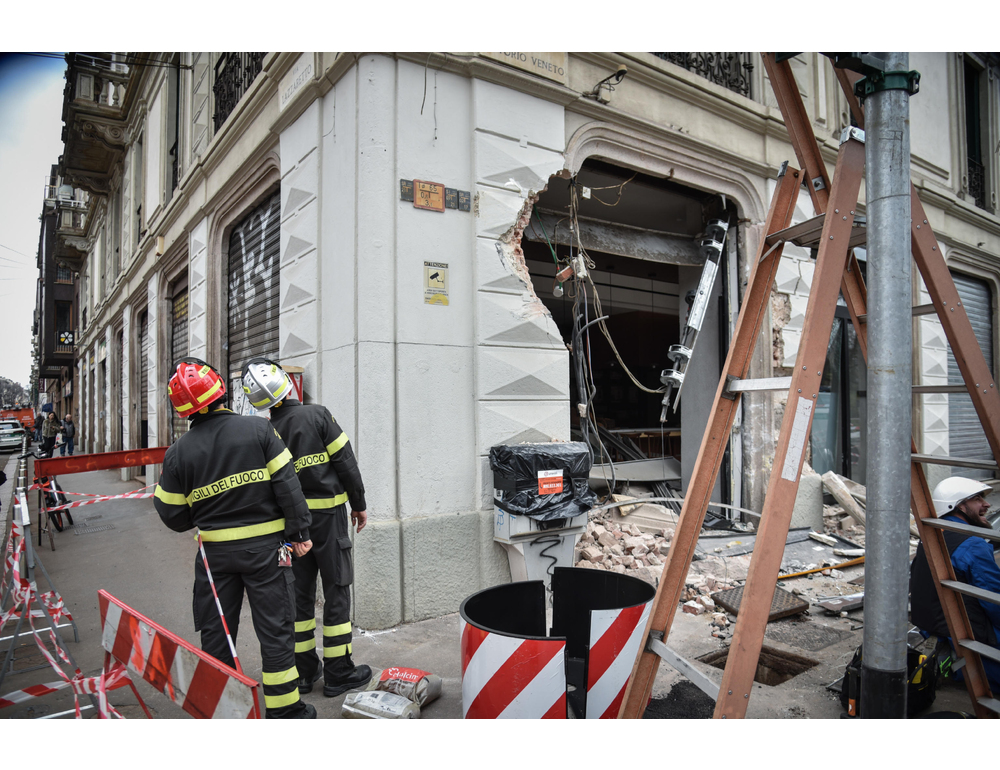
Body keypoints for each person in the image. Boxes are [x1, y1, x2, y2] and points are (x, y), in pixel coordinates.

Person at [153, 358, 317, 719]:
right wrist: (300, 533)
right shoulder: (259, 432)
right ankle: (285, 710)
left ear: (182, 409)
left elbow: (171, 514)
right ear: (221, 391)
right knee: (275, 630)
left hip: (214, 558)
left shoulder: (178, 454)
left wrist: (203, 514)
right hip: (268, 554)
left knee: (217, 632)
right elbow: (288, 485)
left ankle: (224, 710)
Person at [241, 358, 372, 698]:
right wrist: (358, 503)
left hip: (291, 531)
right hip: (329, 521)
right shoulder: (319, 416)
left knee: (299, 599)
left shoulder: (263, 432)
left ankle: (303, 671)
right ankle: (339, 671)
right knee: (337, 590)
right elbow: (346, 462)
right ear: (287, 383)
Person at [910, 476, 1000, 694]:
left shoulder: (934, 533)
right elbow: (994, 600)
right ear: (960, 505)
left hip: (932, 624)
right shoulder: (972, 544)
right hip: (965, 633)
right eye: (978, 499)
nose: (987, 504)